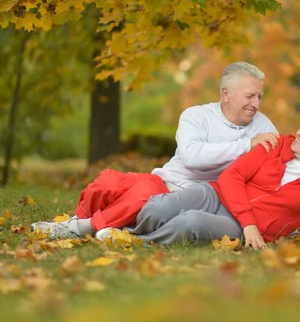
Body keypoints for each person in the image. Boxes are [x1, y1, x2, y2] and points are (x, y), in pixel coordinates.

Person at [32, 61, 279, 239]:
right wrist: (247, 145)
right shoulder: (197, 115)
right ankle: (100, 223)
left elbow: (276, 172)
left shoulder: (265, 126)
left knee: (147, 198)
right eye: (250, 96)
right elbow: (193, 158)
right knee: (113, 184)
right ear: (226, 94)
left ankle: (81, 228)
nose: (256, 103)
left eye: (260, 96)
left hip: (208, 201)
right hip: (167, 184)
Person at [98, 113, 300, 247]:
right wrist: (249, 221)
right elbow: (231, 177)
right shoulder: (274, 144)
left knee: (191, 223)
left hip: (241, 226)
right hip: (218, 197)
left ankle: (135, 241)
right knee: (159, 207)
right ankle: (131, 227)